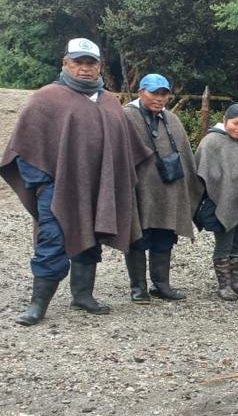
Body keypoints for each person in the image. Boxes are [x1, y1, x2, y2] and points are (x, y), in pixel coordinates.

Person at [1, 38, 149, 325]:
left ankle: (82, 295)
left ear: (99, 66)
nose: (84, 68)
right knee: (52, 240)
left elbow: (126, 149)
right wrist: (44, 186)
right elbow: (26, 147)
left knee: (90, 238)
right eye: (77, 62)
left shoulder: (109, 102)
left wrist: (111, 185)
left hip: (97, 188)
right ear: (65, 63)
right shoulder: (46, 98)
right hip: (57, 189)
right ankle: (37, 304)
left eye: (90, 63)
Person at [123, 73, 203, 303]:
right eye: (154, 93)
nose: (159, 98)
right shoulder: (126, 117)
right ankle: (138, 288)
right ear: (141, 92)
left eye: (164, 94)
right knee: (137, 237)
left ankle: (161, 285)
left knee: (165, 236)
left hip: (169, 190)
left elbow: (185, 156)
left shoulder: (172, 120)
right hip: (139, 189)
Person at [194, 103, 238, 301]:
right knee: (224, 245)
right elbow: (203, 172)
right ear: (225, 121)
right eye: (235, 123)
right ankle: (224, 285)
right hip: (222, 202)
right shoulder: (212, 142)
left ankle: (236, 282)